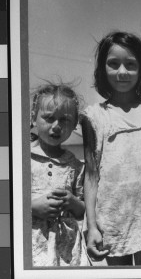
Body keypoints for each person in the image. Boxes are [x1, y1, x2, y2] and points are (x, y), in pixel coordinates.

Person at [81, 31, 141, 266]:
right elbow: (91, 175)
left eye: (130, 65)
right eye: (114, 64)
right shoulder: (93, 117)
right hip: (112, 218)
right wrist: (91, 226)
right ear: (102, 69)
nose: (122, 72)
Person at [30, 83, 86, 266]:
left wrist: (72, 201)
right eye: (49, 118)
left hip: (66, 252)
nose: (56, 126)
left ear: (75, 123)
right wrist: (30, 207)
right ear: (33, 117)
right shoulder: (20, 159)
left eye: (65, 120)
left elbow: (82, 210)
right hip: (31, 246)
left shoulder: (76, 165)